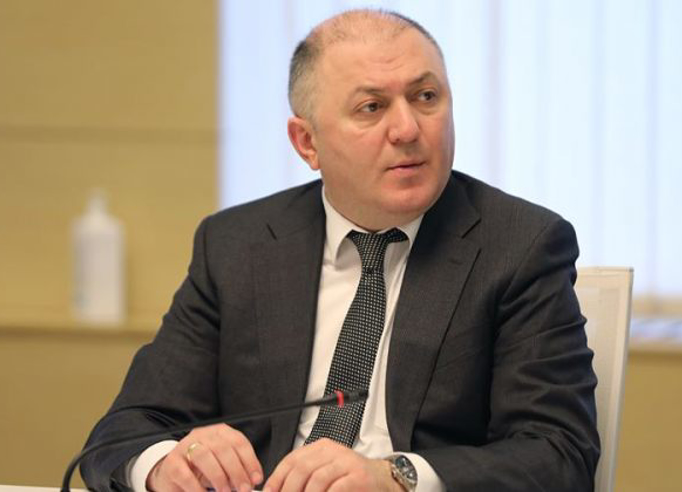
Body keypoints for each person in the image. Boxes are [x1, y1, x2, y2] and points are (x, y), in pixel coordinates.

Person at [81, 9, 599, 492]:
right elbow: (124, 431)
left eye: (426, 97)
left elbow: (559, 453)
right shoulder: (238, 245)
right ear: (307, 143)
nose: (408, 129)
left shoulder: (520, 245)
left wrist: (395, 477)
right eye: (371, 107)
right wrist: (167, 464)